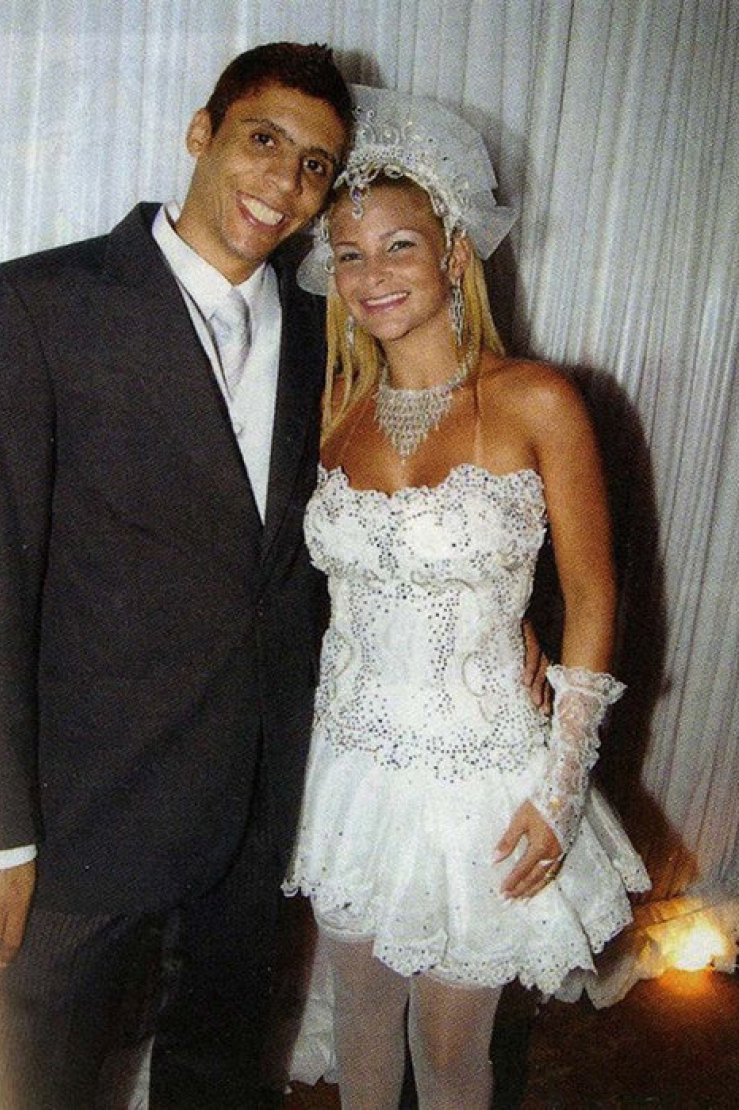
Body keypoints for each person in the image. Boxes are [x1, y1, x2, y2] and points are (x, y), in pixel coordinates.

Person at [0, 41, 353, 1110]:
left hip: (257, 806)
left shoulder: (329, 331)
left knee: (221, 1078)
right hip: (85, 817)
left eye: (314, 165)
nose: (284, 182)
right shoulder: (41, 303)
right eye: (262, 140)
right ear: (200, 132)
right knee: (43, 1085)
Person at [284, 86, 651, 1110]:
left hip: (481, 780)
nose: (372, 276)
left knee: (451, 1060)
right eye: (349, 254)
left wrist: (562, 786)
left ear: (453, 252)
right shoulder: (332, 410)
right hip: (350, 765)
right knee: (360, 1036)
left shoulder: (537, 399)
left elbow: (593, 595)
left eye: (398, 246)